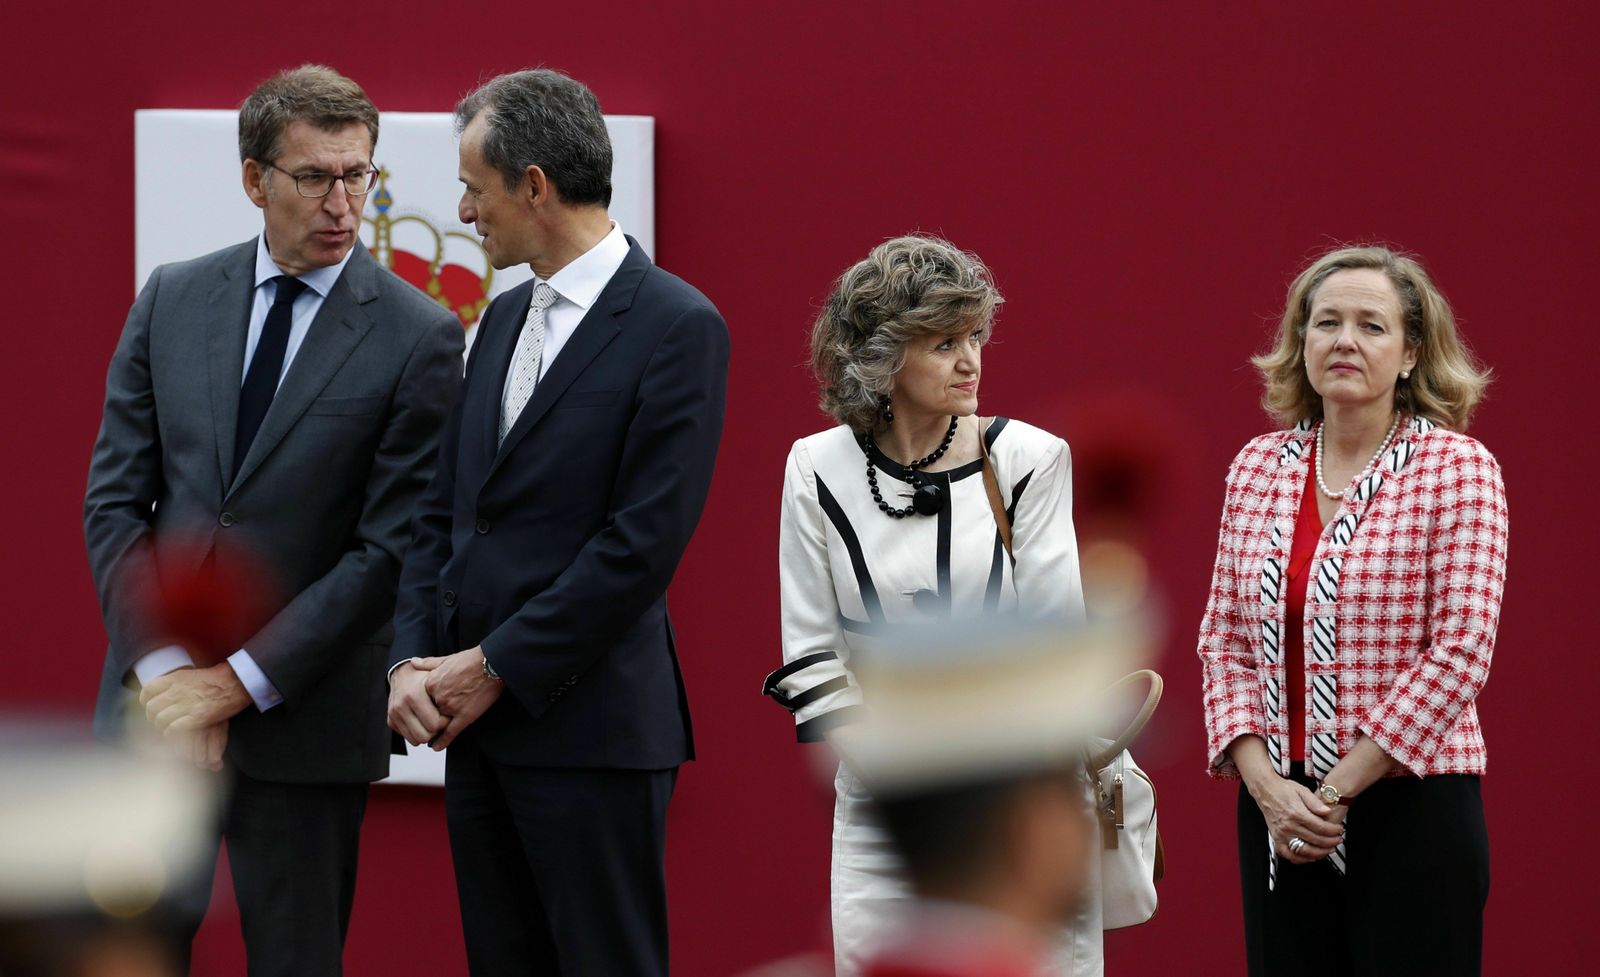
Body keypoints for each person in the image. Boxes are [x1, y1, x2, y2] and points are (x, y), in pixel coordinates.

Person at [83, 64, 463, 975]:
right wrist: (175, 677)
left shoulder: (422, 334)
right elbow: (114, 503)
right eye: (314, 177)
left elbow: (387, 550)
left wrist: (237, 684)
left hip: (303, 729)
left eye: (358, 175)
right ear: (255, 179)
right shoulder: (173, 296)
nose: (341, 202)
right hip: (151, 716)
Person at [385, 69, 729, 976]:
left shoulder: (678, 325)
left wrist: (494, 663)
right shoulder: (497, 320)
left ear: (533, 184)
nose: (463, 210)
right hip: (480, 736)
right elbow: (445, 512)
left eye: (474, 186)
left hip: (595, 736)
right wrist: (410, 658)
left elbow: (640, 546)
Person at [765, 235, 1099, 976]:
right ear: (883, 359)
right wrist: (905, 776)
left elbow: (1058, 650)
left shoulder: (1031, 459)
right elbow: (812, 654)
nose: (971, 359)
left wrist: (983, 791)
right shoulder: (813, 467)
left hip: (1020, 809)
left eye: (975, 335)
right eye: (945, 342)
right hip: (884, 814)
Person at [1197, 245, 1506, 976]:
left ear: (1410, 353)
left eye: (1371, 325)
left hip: (1410, 805)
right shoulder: (1257, 466)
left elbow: (1460, 650)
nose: (1344, 340)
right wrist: (1271, 791)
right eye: (1326, 322)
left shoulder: (1458, 469)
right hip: (1278, 814)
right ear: (1300, 341)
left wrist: (1332, 790)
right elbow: (1225, 643)